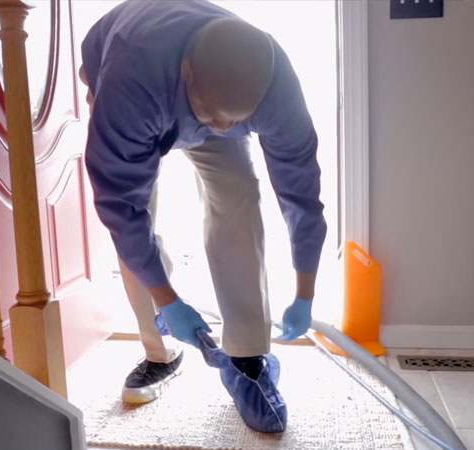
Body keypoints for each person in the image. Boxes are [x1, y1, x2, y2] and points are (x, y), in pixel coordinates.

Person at [79, 0, 326, 432]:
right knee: (140, 216)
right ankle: (160, 351)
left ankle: (248, 357)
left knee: (238, 191)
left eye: (237, 120)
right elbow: (121, 207)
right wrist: (169, 300)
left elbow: (301, 194)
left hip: (204, 92)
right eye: (215, 117)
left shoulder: (272, 87)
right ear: (188, 71)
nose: (224, 129)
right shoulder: (129, 83)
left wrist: (305, 290)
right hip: (132, 77)